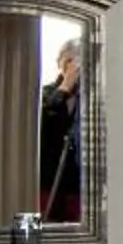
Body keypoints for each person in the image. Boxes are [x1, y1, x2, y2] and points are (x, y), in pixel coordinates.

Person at [38, 39, 84, 222]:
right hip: (49, 182)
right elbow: (45, 121)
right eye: (68, 61)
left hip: (76, 184)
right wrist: (65, 86)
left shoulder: (91, 97)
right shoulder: (46, 94)